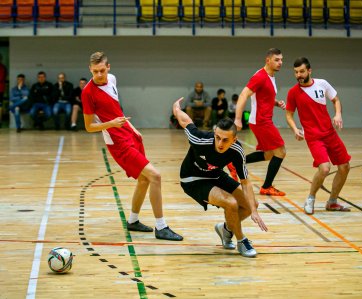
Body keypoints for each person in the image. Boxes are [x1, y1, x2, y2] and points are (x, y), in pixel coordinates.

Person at [82, 51, 182, 241]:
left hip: (129, 134)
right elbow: (89, 127)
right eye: (95, 72)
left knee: (144, 180)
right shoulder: (87, 92)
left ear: (108, 67)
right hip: (117, 142)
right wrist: (112, 124)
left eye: (102, 70)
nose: (99, 75)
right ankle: (161, 227)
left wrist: (132, 127)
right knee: (155, 176)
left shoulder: (112, 79)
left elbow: (117, 109)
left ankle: (133, 221)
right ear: (90, 70)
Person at [172, 97, 267, 257]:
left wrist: (254, 212)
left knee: (251, 205)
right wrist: (176, 108)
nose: (220, 143)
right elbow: (185, 121)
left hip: (215, 175)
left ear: (234, 139)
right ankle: (241, 241)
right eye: (218, 137)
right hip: (192, 179)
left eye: (225, 140)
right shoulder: (200, 140)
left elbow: (245, 182)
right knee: (231, 203)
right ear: (214, 133)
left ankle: (225, 230)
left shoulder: (237, 151)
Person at [286, 57, 351, 215]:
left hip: (330, 133)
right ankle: (310, 198)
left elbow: (335, 100)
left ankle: (332, 202)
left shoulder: (322, 84)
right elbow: (289, 114)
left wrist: (338, 114)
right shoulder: (293, 92)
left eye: (301, 71)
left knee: (344, 167)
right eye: (296, 72)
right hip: (314, 137)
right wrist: (295, 129)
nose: (299, 75)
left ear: (309, 71)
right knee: (324, 169)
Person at [234, 48, 287, 196]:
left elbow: (263, 96)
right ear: (268, 60)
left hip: (263, 120)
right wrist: (238, 118)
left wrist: (275, 103)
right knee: (281, 151)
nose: (280, 63)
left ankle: (234, 162)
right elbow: (244, 94)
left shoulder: (270, 76)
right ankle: (267, 187)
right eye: (277, 60)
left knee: (270, 154)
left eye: (281, 60)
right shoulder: (260, 76)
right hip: (261, 121)